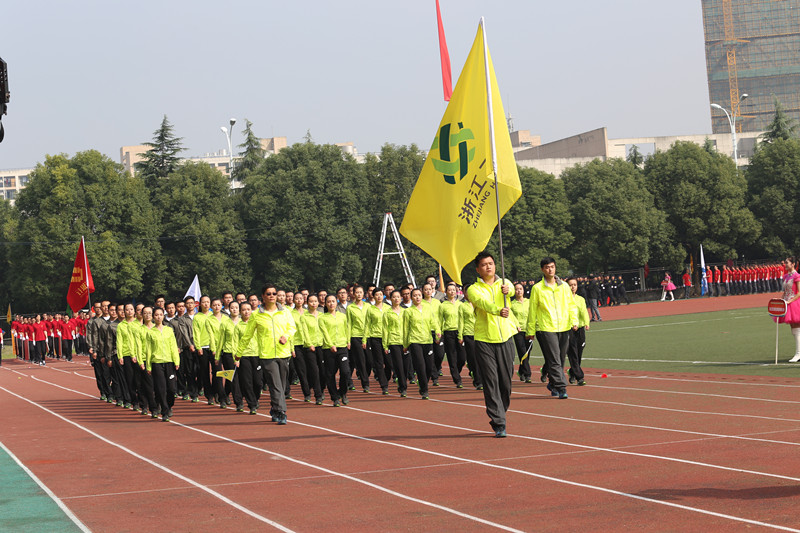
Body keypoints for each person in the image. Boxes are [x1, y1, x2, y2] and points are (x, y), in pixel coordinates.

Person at [467, 252, 518, 438]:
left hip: (505, 337)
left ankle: (501, 411)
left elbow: (512, 290)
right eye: (484, 264)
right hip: (484, 340)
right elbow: (482, 303)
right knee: (491, 381)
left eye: (491, 263)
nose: (488, 267)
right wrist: (498, 310)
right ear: (478, 269)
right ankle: (498, 422)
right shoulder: (473, 288)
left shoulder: (504, 282)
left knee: (506, 381)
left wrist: (508, 291)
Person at [236, 284, 296, 424]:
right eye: (268, 294)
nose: (271, 296)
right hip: (267, 355)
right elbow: (247, 335)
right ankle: (281, 412)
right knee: (275, 384)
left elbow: (292, 327)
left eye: (274, 293)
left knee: (280, 383)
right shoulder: (257, 315)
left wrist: (286, 336)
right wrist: (238, 353)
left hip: (283, 352)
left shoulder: (285, 311)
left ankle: (274, 409)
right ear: (262, 296)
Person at [526, 257, 577, 401]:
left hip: (564, 326)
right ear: (542, 269)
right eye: (547, 267)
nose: (550, 269)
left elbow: (571, 305)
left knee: (560, 358)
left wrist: (574, 320)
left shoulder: (564, 286)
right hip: (546, 327)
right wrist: (530, 330)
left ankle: (553, 384)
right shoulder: (537, 288)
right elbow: (533, 311)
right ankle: (561, 387)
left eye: (552, 267)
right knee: (554, 359)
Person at [143, 307, 180, 422]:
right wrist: (148, 366)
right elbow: (148, 350)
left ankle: (169, 405)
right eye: (156, 315)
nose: (158, 317)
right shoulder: (150, 332)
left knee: (172, 389)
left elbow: (173, 346)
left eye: (160, 315)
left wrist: (176, 361)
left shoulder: (169, 330)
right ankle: (164, 411)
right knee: (161, 388)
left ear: (163, 316)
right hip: (156, 363)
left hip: (169, 362)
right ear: (153, 317)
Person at [403, 288, 436, 399]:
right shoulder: (408, 312)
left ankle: (423, 382)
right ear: (411, 297)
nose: (417, 297)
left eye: (419, 295)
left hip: (427, 340)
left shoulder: (427, 308)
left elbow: (433, 322)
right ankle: (424, 389)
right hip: (415, 341)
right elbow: (406, 329)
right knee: (420, 366)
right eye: (415, 295)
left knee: (429, 367)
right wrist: (405, 344)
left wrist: (438, 332)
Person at [318, 294, 351, 407]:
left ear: (336, 303)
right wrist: (331, 344)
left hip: (342, 347)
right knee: (330, 373)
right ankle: (335, 397)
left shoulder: (342, 316)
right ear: (325, 304)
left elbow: (347, 328)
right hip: (329, 349)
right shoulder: (322, 318)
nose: (331, 303)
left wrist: (348, 340)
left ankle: (343, 392)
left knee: (346, 371)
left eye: (333, 301)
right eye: (329, 301)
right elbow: (324, 333)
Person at [233, 302, 262, 414]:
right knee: (247, 381)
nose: (246, 312)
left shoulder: (256, 324)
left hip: (257, 355)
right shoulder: (238, 327)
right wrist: (236, 358)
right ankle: (252, 404)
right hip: (244, 356)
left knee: (258, 382)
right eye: (244, 309)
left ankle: (255, 398)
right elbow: (235, 343)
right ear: (240, 312)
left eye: (248, 309)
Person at [298, 294, 325, 405]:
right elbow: (305, 332)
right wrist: (309, 344)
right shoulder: (304, 317)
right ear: (307, 303)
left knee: (323, 371)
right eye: (311, 301)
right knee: (314, 371)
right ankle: (317, 395)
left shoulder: (322, 315)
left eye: (315, 301)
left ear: (318, 303)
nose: (313, 303)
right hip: (310, 347)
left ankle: (321, 389)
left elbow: (325, 330)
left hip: (322, 346)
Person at [363, 288, 390, 395]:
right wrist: (364, 339)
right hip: (375, 338)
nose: (379, 296)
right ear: (373, 296)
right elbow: (367, 325)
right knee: (379, 362)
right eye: (376, 295)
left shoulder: (388, 308)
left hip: (388, 338)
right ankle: (384, 385)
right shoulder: (370, 309)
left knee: (389, 362)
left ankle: (386, 378)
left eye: (380, 294)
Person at [439, 282, 466, 388]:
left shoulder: (461, 304)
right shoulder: (443, 305)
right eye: (449, 290)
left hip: (460, 332)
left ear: (457, 291)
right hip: (448, 332)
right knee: (451, 356)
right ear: (446, 292)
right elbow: (440, 320)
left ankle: (456, 372)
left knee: (462, 357)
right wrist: (440, 334)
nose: (452, 292)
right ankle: (457, 379)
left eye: (453, 290)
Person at [383, 290, 407, 397]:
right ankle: (402, 387)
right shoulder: (387, 313)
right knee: (399, 365)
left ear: (401, 298)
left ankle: (402, 381)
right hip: (393, 341)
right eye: (394, 297)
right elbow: (385, 329)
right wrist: (385, 344)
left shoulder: (405, 312)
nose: (396, 299)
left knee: (406, 366)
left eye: (398, 297)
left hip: (405, 341)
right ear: (391, 299)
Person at [566, 278, 589, 386]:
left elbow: (584, 312)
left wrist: (586, 322)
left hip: (580, 328)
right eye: (570, 285)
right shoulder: (564, 300)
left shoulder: (580, 299)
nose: (573, 287)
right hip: (569, 328)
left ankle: (572, 371)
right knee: (573, 353)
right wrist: (572, 324)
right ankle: (580, 377)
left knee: (579, 352)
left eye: (574, 284)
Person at [776, 257, 800, 363]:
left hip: (794, 303)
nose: (785, 264)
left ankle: (798, 353)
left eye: (787, 263)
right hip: (787, 303)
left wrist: (790, 301)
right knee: (794, 328)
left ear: (793, 264)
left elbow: (799, 292)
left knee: (796, 327)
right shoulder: (786, 276)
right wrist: (781, 301)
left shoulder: (797, 276)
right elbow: (785, 292)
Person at [509, 282, 531, 383]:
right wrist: (516, 325)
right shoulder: (512, 304)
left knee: (527, 352)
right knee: (522, 351)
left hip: (529, 330)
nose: (519, 291)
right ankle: (527, 374)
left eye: (520, 289)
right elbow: (511, 316)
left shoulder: (529, 302)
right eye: (517, 289)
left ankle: (521, 371)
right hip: (518, 330)